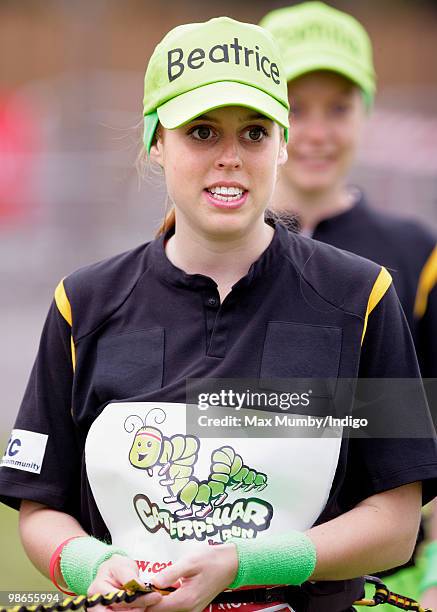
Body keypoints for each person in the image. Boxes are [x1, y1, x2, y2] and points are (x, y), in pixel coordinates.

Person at [0, 15, 436, 612]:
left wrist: (242, 566)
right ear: (157, 142)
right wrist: (96, 568)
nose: (231, 156)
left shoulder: (363, 296)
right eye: (201, 133)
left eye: (254, 133)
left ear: (282, 142)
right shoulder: (84, 301)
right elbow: (39, 506)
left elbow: (394, 522)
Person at [259, 1, 437, 608]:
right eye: (294, 107)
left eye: (339, 108)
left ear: (367, 112)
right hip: (236, 573)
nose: (315, 132)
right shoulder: (213, 249)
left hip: (388, 582)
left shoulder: (415, 252)